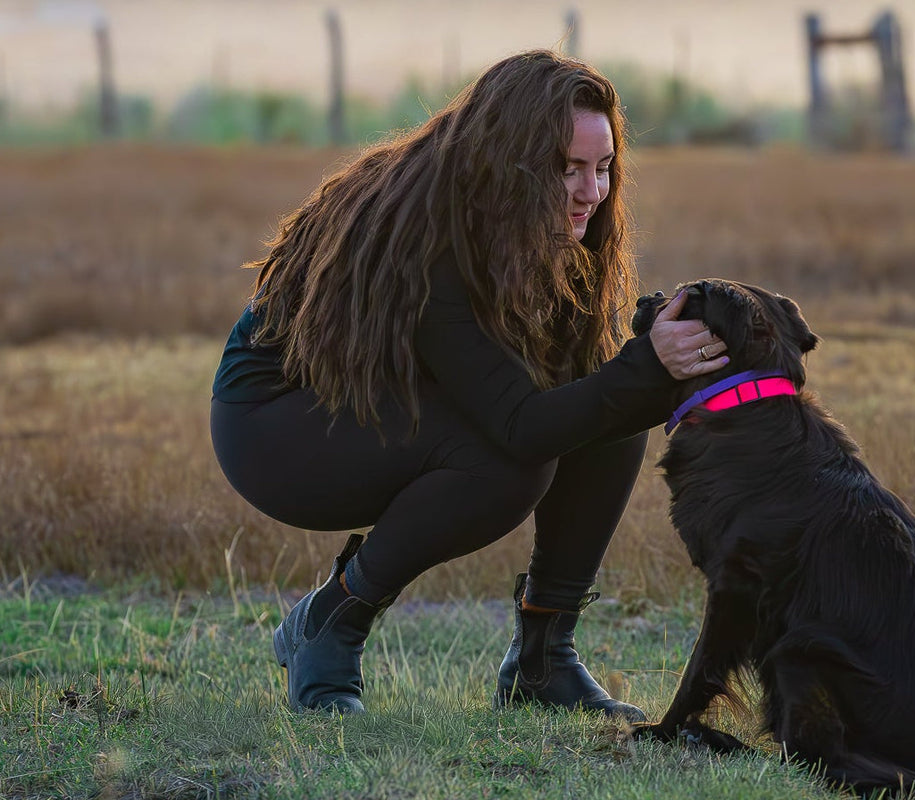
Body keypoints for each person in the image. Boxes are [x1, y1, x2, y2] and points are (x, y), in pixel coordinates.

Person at [209, 49, 729, 720]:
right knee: (511, 458)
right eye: (566, 168)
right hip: (278, 425)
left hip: (389, 399)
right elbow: (520, 427)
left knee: (610, 416)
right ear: (508, 159)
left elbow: (584, 391)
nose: (590, 192)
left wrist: (668, 368)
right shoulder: (425, 239)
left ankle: (543, 662)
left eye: (602, 169)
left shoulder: (540, 224)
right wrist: (647, 365)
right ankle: (328, 622)